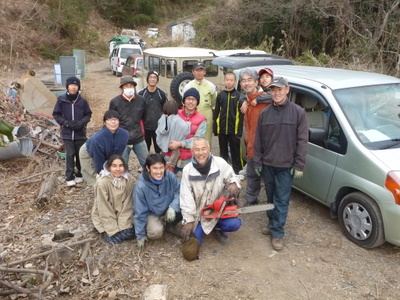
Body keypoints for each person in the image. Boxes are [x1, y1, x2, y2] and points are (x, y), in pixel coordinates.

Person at [253, 76, 308, 251]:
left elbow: (302, 141)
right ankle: (271, 223)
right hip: (268, 164)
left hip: (286, 166)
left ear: (287, 90)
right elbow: (258, 140)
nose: (276, 93)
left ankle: (277, 233)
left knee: (281, 200)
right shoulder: (265, 113)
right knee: (270, 198)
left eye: (279, 89)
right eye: (273, 90)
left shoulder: (298, 112)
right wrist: (257, 162)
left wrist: (299, 164)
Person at [180, 137, 242, 258]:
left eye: (203, 149)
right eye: (197, 149)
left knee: (234, 224)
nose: (200, 153)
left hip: (219, 210)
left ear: (209, 149)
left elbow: (232, 176)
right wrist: (188, 221)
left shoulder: (220, 163)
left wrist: (234, 184)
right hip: (199, 214)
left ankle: (217, 228)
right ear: (192, 152)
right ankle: (199, 229)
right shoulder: (187, 170)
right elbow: (186, 198)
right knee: (192, 245)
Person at [133, 153, 181, 249]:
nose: (159, 172)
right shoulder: (141, 187)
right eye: (155, 168)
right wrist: (140, 235)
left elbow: (180, 191)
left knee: (185, 205)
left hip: (169, 207)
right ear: (148, 168)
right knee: (155, 233)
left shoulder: (170, 176)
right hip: (152, 213)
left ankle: (169, 223)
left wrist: (173, 207)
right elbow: (140, 212)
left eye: (161, 168)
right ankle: (161, 223)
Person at [53, 76, 92, 187]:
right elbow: (56, 114)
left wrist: (82, 123)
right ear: (67, 87)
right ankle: (69, 176)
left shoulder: (82, 101)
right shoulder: (61, 100)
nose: (73, 87)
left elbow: (88, 114)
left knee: (80, 154)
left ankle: (80, 174)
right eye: (71, 85)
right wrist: (66, 123)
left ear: (78, 87)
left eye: (76, 85)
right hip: (67, 133)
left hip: (80, 133)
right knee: (70, 154)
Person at [239, 68, 271, 205]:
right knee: (252, 175)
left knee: (269, 177)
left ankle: (273, 203)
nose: (246, 83)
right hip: (251, 144)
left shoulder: (266, 99)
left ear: (256, 82)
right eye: (243, 81)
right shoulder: (246, 100)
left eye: (249, 80)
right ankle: (251, 199)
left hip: (267, 147)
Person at [91, 154, 135, 244]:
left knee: (128, 233)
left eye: (121, 166)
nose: (118, 169)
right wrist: (113, 229)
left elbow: (128, 203)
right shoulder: (102, 183)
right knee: (115, 238)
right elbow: (103, 208)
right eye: (114, 166)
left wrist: (123, 224)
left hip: (122, 212)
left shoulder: (128, 179)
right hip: (106, 215)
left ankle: (122, 225)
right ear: (108, 167)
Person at [79, 110, 129, 186]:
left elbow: (118, 155)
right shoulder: (97, 139)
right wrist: (102, 172)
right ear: (105, 123)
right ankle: (101, 194)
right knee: (98, 179)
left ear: (119, 121)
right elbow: (98, 160)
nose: (113, 122)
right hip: (89, 153)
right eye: (109, 119)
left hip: (108, 151)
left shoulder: (124, 135)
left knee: (113, 175)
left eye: (115, 119)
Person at [109, 76, 148, 168]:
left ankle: (149, 181)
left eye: (131, 85)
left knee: (147, 164)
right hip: (122, 139)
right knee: (121, 166)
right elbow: (111, 120)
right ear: (122, 88)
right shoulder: (115, 102)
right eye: (126, 86)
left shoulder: (141, 100)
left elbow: (144, 117)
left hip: (138, 137)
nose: (129, 88)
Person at [164, 88, 206, 173]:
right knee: (168, 182)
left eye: (193, 99)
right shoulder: (174, 113)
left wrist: (180, 143)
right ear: (184, 101)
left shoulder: (202, 120)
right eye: (188, 99)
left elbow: (197, 140)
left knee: (190, 183)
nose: (191, 102)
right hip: (170, 156)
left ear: (197, 102)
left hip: (189, 158)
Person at [213, 72, 244, 174]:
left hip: (234, 131)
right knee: (223, 152)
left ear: (235, 82)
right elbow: (216, 112)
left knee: (236, 153)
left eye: (231, 80)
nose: (229, 82)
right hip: (222, 130)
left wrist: (239, 132)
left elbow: (241, 115)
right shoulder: (220, 95)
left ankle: (238, 172)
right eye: (227, 80)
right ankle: (223, 172)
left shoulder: (239, 96)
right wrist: (215, 128)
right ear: (224, 81)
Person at [183, 61, 217, 146]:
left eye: (201, 70)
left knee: (206, 140)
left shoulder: (211, 86)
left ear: (204, 72)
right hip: (192, 116)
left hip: (206, 116)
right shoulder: (188, 86)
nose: (199, 72)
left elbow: (213, 101)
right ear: (193, 72)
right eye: (197, 70)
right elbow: (184, 102)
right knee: (192, 139)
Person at [156, 101, 190, 173]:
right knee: (176, 153)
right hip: (174, 143)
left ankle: (162, 158)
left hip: (165, 142)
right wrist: (188, 124)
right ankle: (170, 166)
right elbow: (185, 128)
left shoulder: (162, 118)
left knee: (163, 152)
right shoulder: (177, 119)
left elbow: (159, 130)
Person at [138, 71, 167, 153]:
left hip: (158, 128)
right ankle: (145, 165)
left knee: (159, 150)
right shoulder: (141, 94)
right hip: (145, 127)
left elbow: (166, 110)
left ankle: (159, 165)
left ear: (157, 80)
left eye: (155, 78)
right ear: (147, 79)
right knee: (144, 150)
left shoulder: (161, 94)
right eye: (150, 77)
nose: (152, 79)